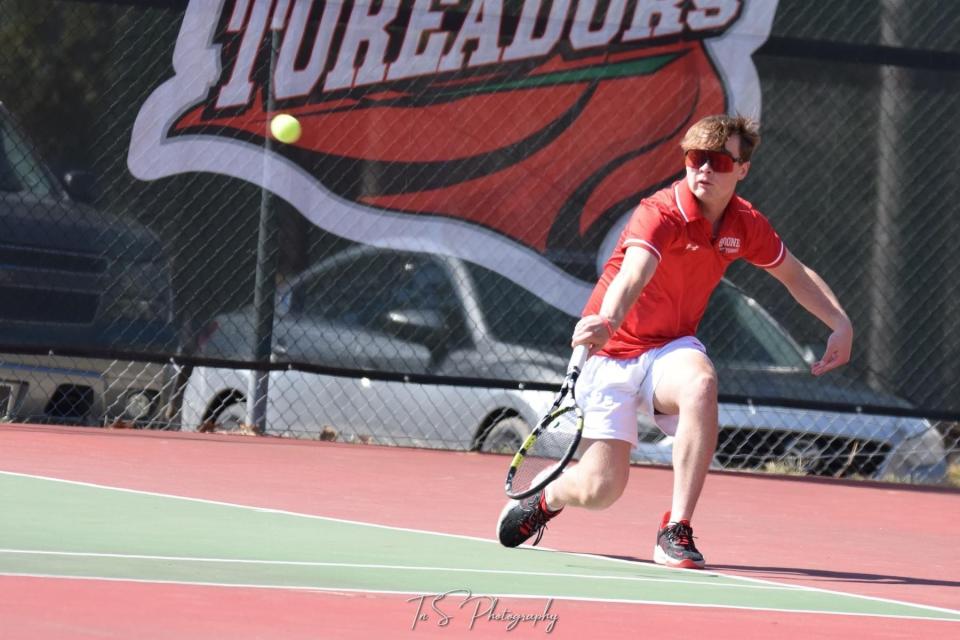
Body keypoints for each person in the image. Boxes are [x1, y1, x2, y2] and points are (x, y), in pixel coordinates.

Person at [496, 114, 853, 569]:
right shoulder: (660, 211)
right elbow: (634, 274)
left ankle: (676, 528)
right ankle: (549, 494)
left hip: (668, 348)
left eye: (720, 162)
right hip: (610, 350)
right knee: (600, 491)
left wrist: (839, 321)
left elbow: (793, 274)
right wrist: (607, 321)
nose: (705, 169)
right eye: (696, 158)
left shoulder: (745, 224)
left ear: (743, 170)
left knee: (701, 383)